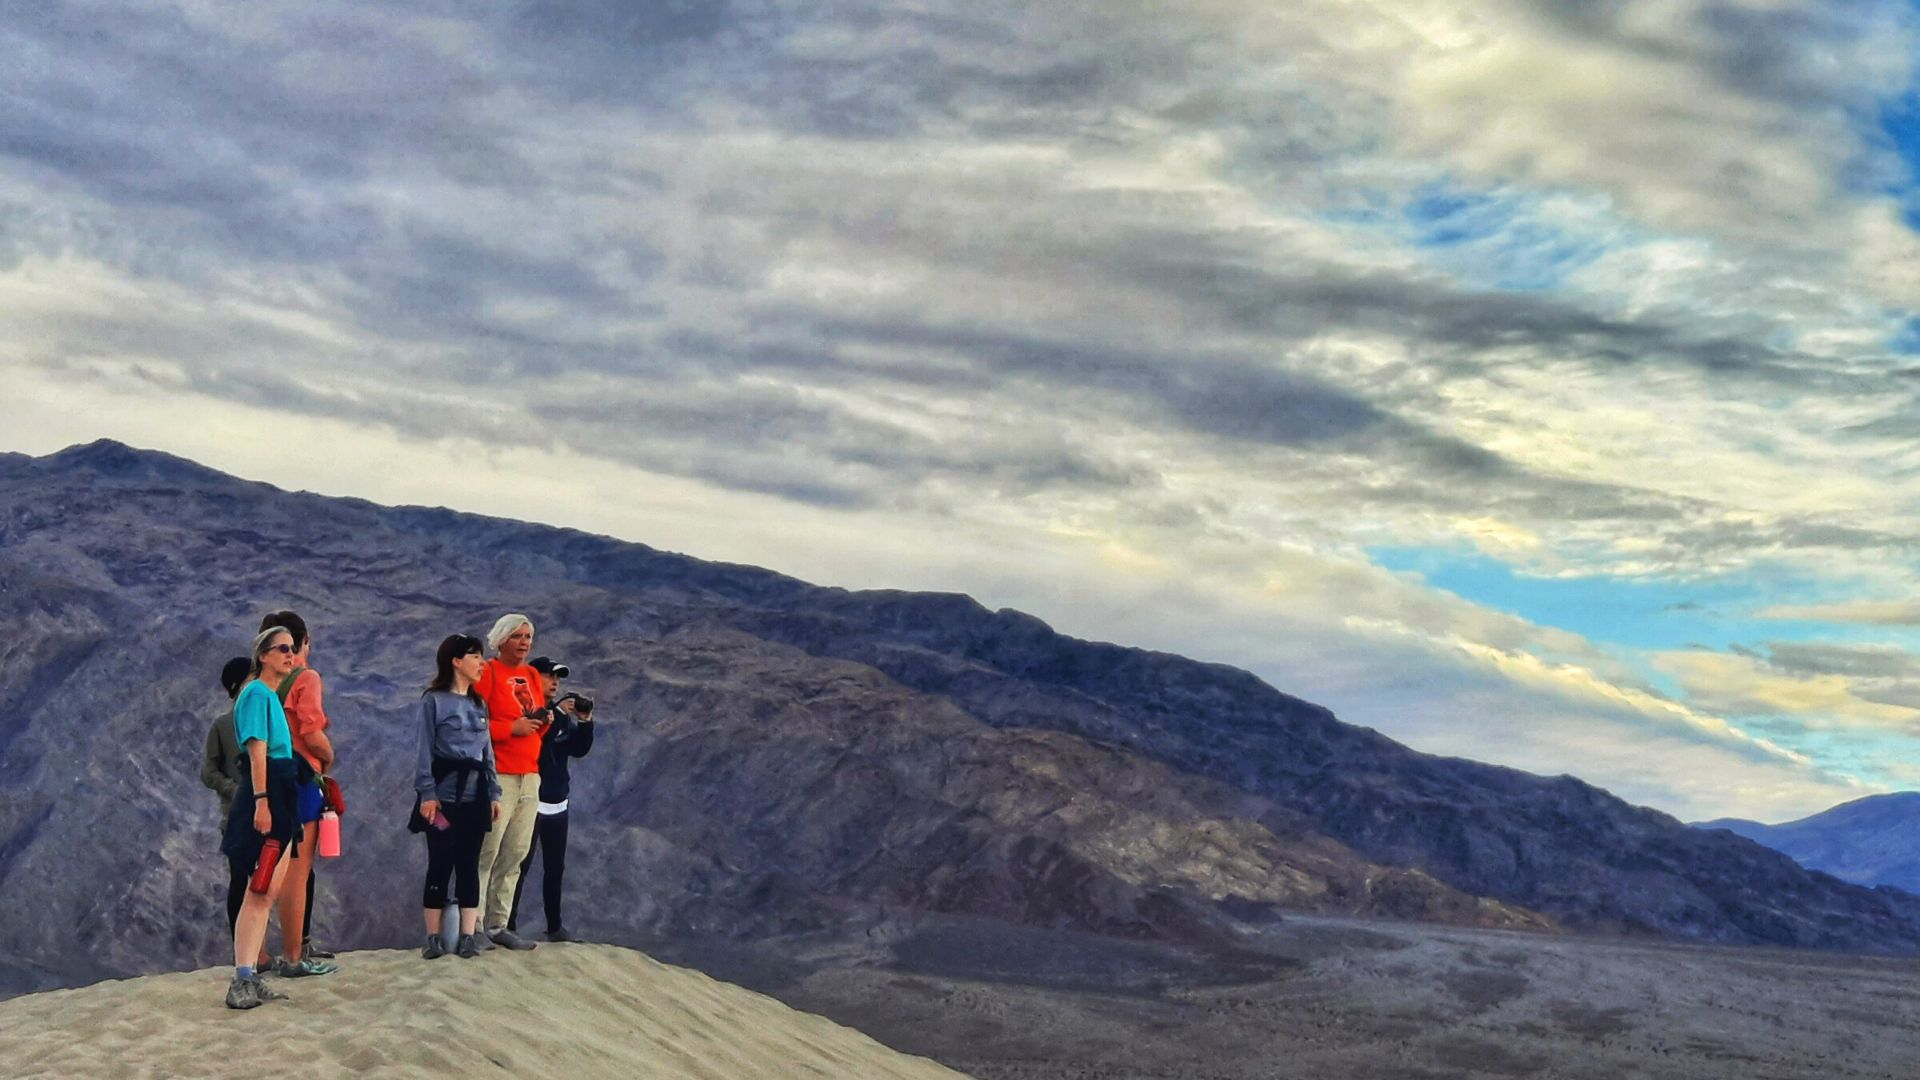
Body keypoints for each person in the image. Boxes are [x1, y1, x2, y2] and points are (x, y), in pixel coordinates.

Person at [221, 626, 304, 1009]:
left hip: (281, 795)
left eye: (292, 648)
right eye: (282, 649)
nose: (290, 654)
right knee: (258, 889)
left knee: (267, 891)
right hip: (268, 794)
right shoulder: (256, 694)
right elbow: (258, 751)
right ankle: (241, 978)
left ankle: (250, 975)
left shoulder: (267, 695)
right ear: (263, 655)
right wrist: (262, 802)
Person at [257, 611, 339, 978]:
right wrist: (329, 756)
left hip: (266, 780)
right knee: (297, 871)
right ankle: (294, 956)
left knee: (266, 866)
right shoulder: (307, 677)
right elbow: (310, 732)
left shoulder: (259, 684)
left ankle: (257, 953)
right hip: (302, 779)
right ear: (305, 642)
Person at [414, 634, 503, 959]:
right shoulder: (433, 701)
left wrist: (493, 792)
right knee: (439, 862)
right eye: (475, 656)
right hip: (442, 799)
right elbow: (424, 749)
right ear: (456, 661)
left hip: (475, 798)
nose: (481, 663)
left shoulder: (479, 704)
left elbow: (487, 753)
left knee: (469, 863)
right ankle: (434, 938)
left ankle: (467, 936)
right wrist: (427, 793)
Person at [471, 613, 548, 950]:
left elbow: (537, 719)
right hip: (498, 773)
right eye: (517, 636)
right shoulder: (487, 672)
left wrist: (538, 723)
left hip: (529, 774)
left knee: (516, 851)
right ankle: (472, 924)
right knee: (487, 850)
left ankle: (498, 923)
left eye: (528, 636)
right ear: (501, 639)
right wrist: (508, 729)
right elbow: (471, 722)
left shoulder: (531, 674)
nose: (524, 643)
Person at [506, 656, 596, 942]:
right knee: (518, 866)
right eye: (549, 676)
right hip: (531, 804)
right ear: (533, 678)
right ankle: (507, 926)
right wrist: (552, 714)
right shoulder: (528, 711)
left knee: (555, 868)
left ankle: (555, 927)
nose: (555, 682)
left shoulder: (558, 718)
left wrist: (584, 722)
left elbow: (577, 749)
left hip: (558, 804)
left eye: (558, 678)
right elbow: (537, 745)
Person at [200, 656, 261, 952]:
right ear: (238, 685)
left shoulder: (264, 719)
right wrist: (235, 790)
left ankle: (260, 951)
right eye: (252, 677)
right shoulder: (222, 726)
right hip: (236, 819)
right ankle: (243, 952)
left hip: (269, 814)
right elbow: (208, 772)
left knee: (265, 884)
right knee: (240, 881)